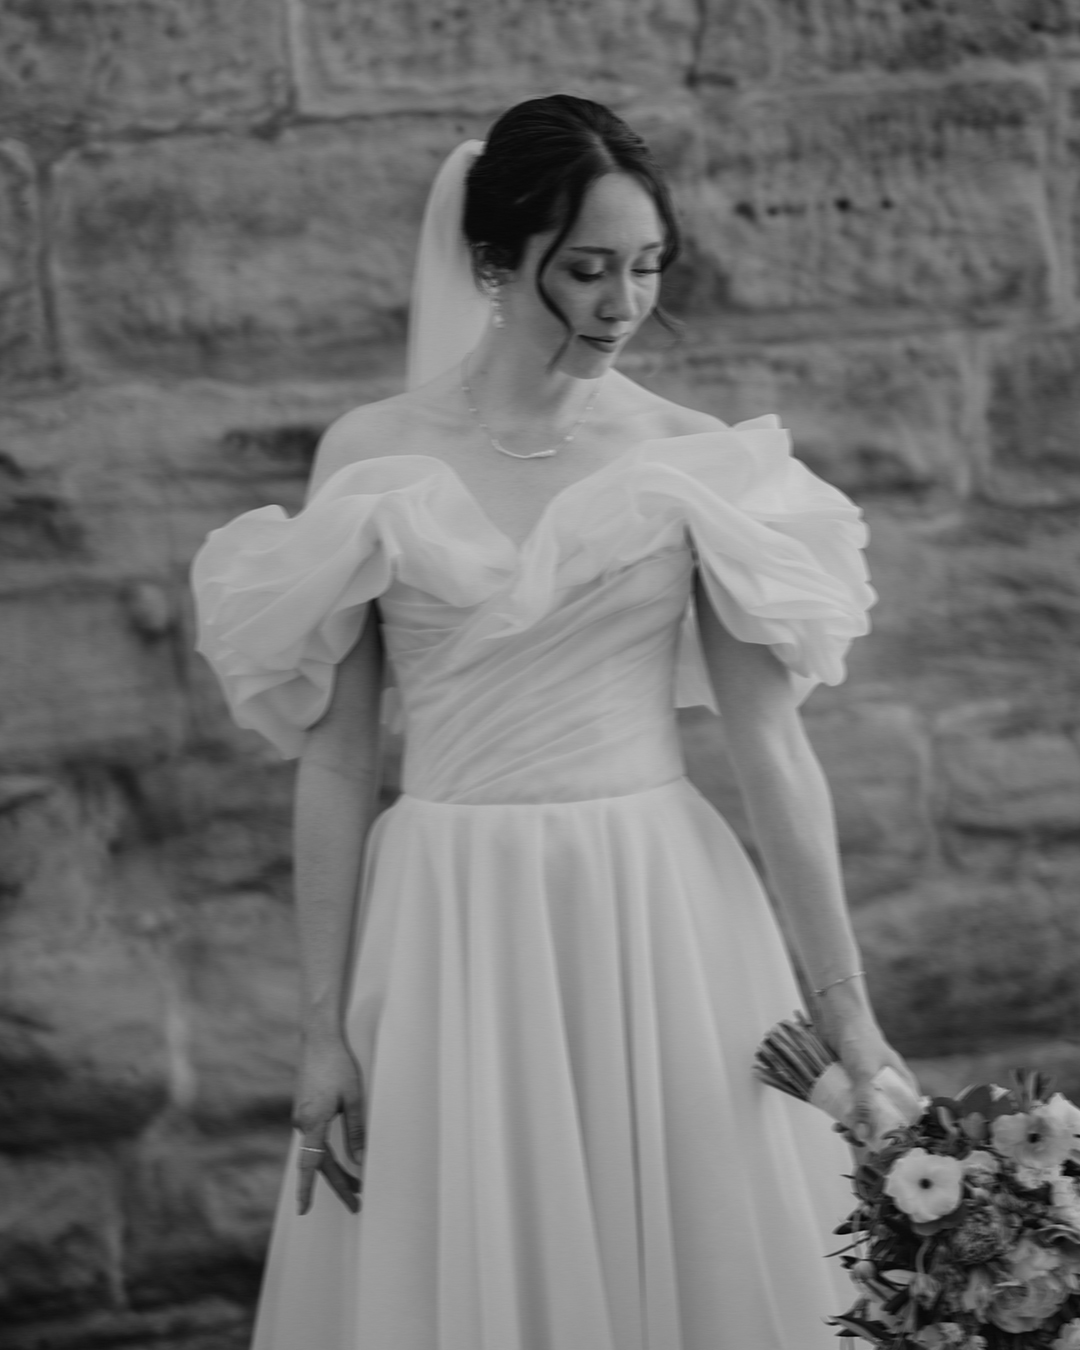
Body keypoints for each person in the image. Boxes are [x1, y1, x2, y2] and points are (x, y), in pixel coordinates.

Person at [191, 94, 917, 1350]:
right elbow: (341, 756)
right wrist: (319, 1032)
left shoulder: (693, 457)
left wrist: (845, 1005)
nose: (623, 302)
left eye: (646, 266)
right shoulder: (371, 455)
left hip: (655, 912)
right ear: (493, 260)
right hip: (447, 919)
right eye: (585, 269)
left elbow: (771, 745)